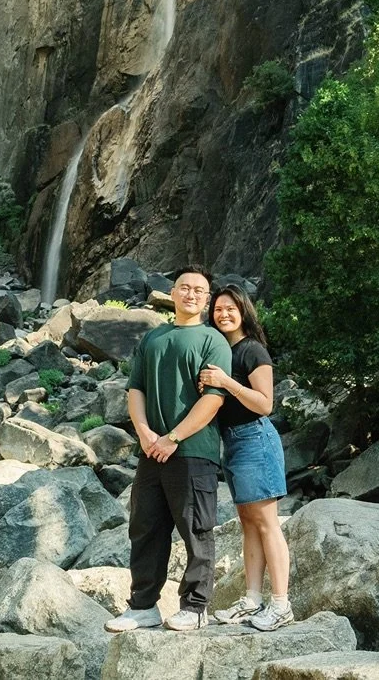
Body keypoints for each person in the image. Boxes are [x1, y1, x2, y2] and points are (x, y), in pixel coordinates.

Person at [104, 265, 233, 633]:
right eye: (184, 288)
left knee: (196, 529)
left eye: (198, 290)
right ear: (172, 294)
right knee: (145, 528)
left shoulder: (213, 341)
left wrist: (172, 437)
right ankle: (143, 606)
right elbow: (136, 390)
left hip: (193, 451)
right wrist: (145, 433)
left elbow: (213, 399)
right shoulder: (153, 339)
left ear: (206, 300)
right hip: (151, 451)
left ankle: (195, 607)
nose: (190, 294)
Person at [198, 285, 293, 631]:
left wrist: (226, 382)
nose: (223, 314)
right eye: (218, 309)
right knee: (249, 523)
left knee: (267, 523)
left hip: (255, 438)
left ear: (243, 312)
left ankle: (281, 604)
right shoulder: (221, 351)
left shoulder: (252, 350)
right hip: (232, 443)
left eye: (230, 309)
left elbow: (265, 404)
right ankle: (252, 600)